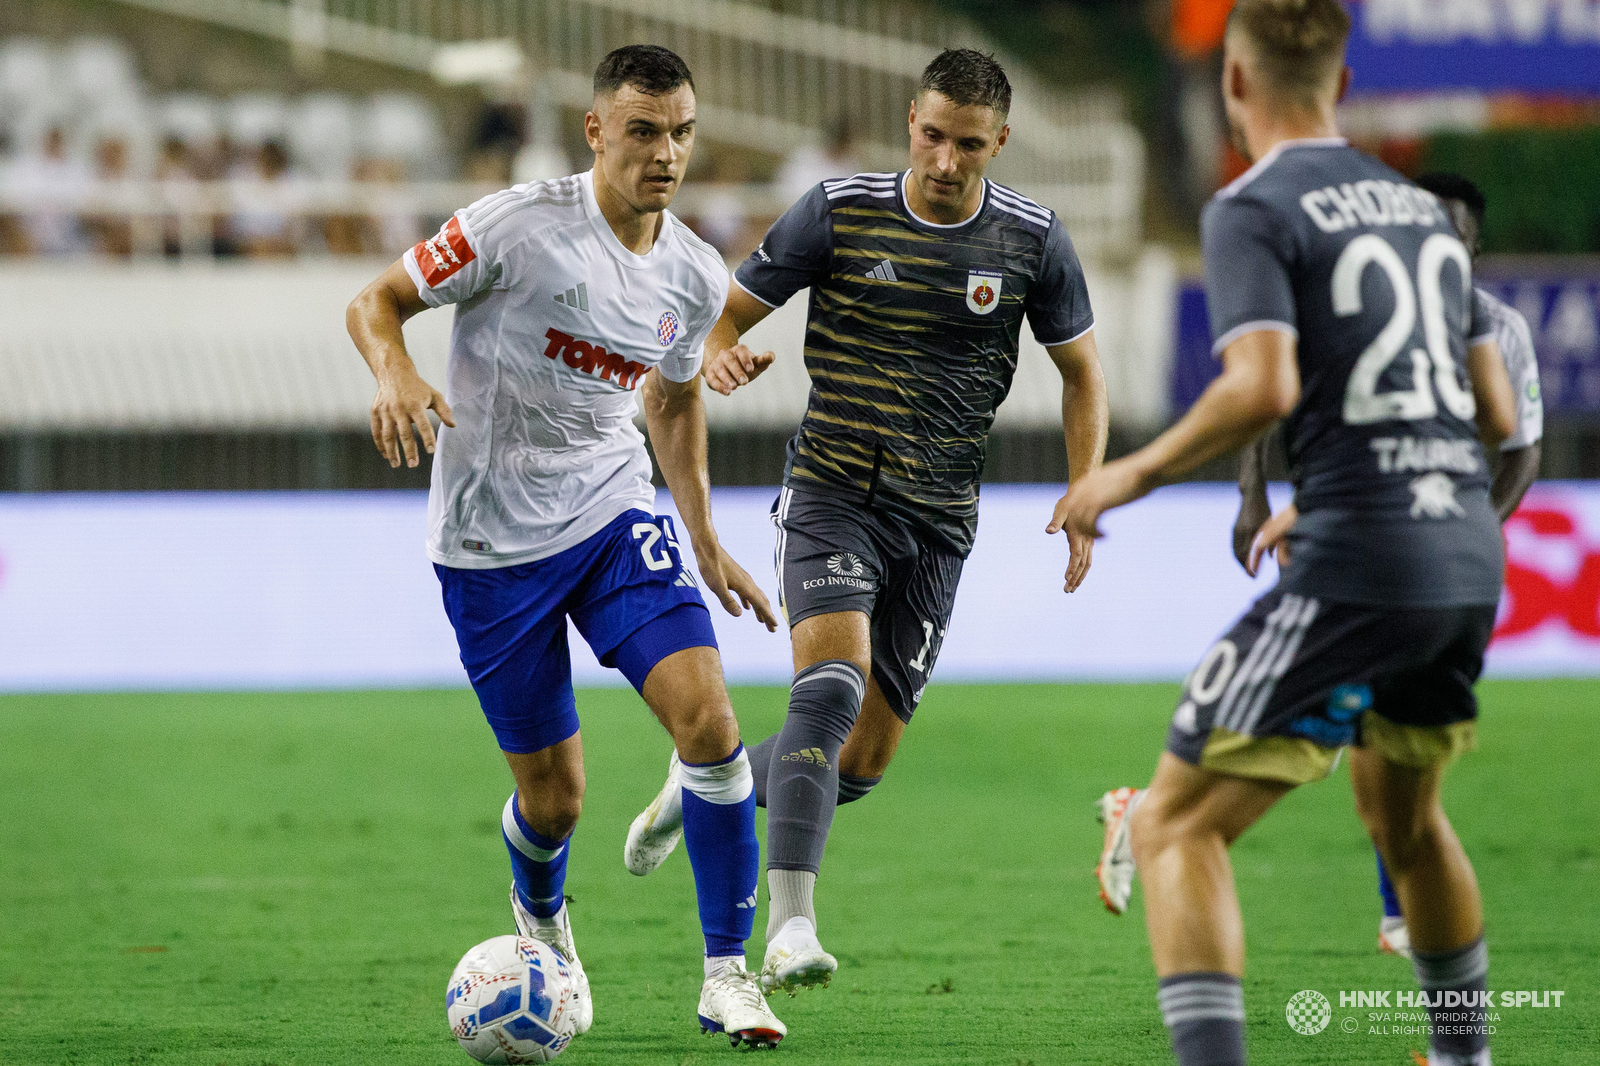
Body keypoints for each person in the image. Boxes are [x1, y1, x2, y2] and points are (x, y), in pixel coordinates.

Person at [1064, 3, 1517, 1064]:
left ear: (1233, 84)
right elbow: (1493, 410)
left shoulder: (1251, 204)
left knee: (1175, 824)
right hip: (1462, 549)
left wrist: (1126, 472)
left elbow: (1259, 383)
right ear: (1343, 84)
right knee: (1404, 819)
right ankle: (1466, 1056)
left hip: (1362, 561)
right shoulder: (1418, 208)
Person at [625, 47, 1109, 996]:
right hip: (834, 493)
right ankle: (790, 925)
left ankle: (705, 779)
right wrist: (719, 357)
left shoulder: (1032, 240)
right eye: (931, 136)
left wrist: (1085, 485)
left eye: (967, 145)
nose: (943, 161)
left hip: (938, 524)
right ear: (911, 122)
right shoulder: (840, 209)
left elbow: (1084, 375)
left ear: (997, 142)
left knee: (864, 759)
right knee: (831, 686)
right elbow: (720, 318)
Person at [344, 45, 788, 1049]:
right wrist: (394, 373)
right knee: (556, 797)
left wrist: (706, 541)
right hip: (488, 540)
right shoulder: (515, 226)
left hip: (611, 510)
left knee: (710, 720)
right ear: (596, 131)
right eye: (643, 130)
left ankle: (728, 976)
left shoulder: (688, 270)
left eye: (680, 131)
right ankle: (539, 912)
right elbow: (373, 302)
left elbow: (670, 401)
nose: (665, 152)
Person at [1225, 170, 1544, 962]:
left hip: (1417, 552)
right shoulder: (1350, 301)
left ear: (1474, 246)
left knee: (1363, 734)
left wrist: (1467, 521)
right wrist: (1257, 499)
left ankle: (1169, 815)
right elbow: (1268, 403)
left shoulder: (1492, 327)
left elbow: (1519, 442)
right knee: (1356, 733)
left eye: (1457, 237)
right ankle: (1169, 812)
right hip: (1363, 541)